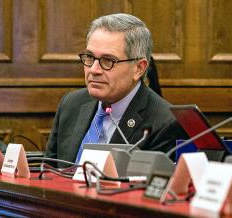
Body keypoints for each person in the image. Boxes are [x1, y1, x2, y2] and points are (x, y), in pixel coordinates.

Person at [45, 13, 187, 167]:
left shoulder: (164, 123)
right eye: (90, 57)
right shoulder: (71, 104)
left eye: (108, 61)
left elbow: (147, 188)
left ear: (138, 68)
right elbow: (47, 173)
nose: (94, 69)